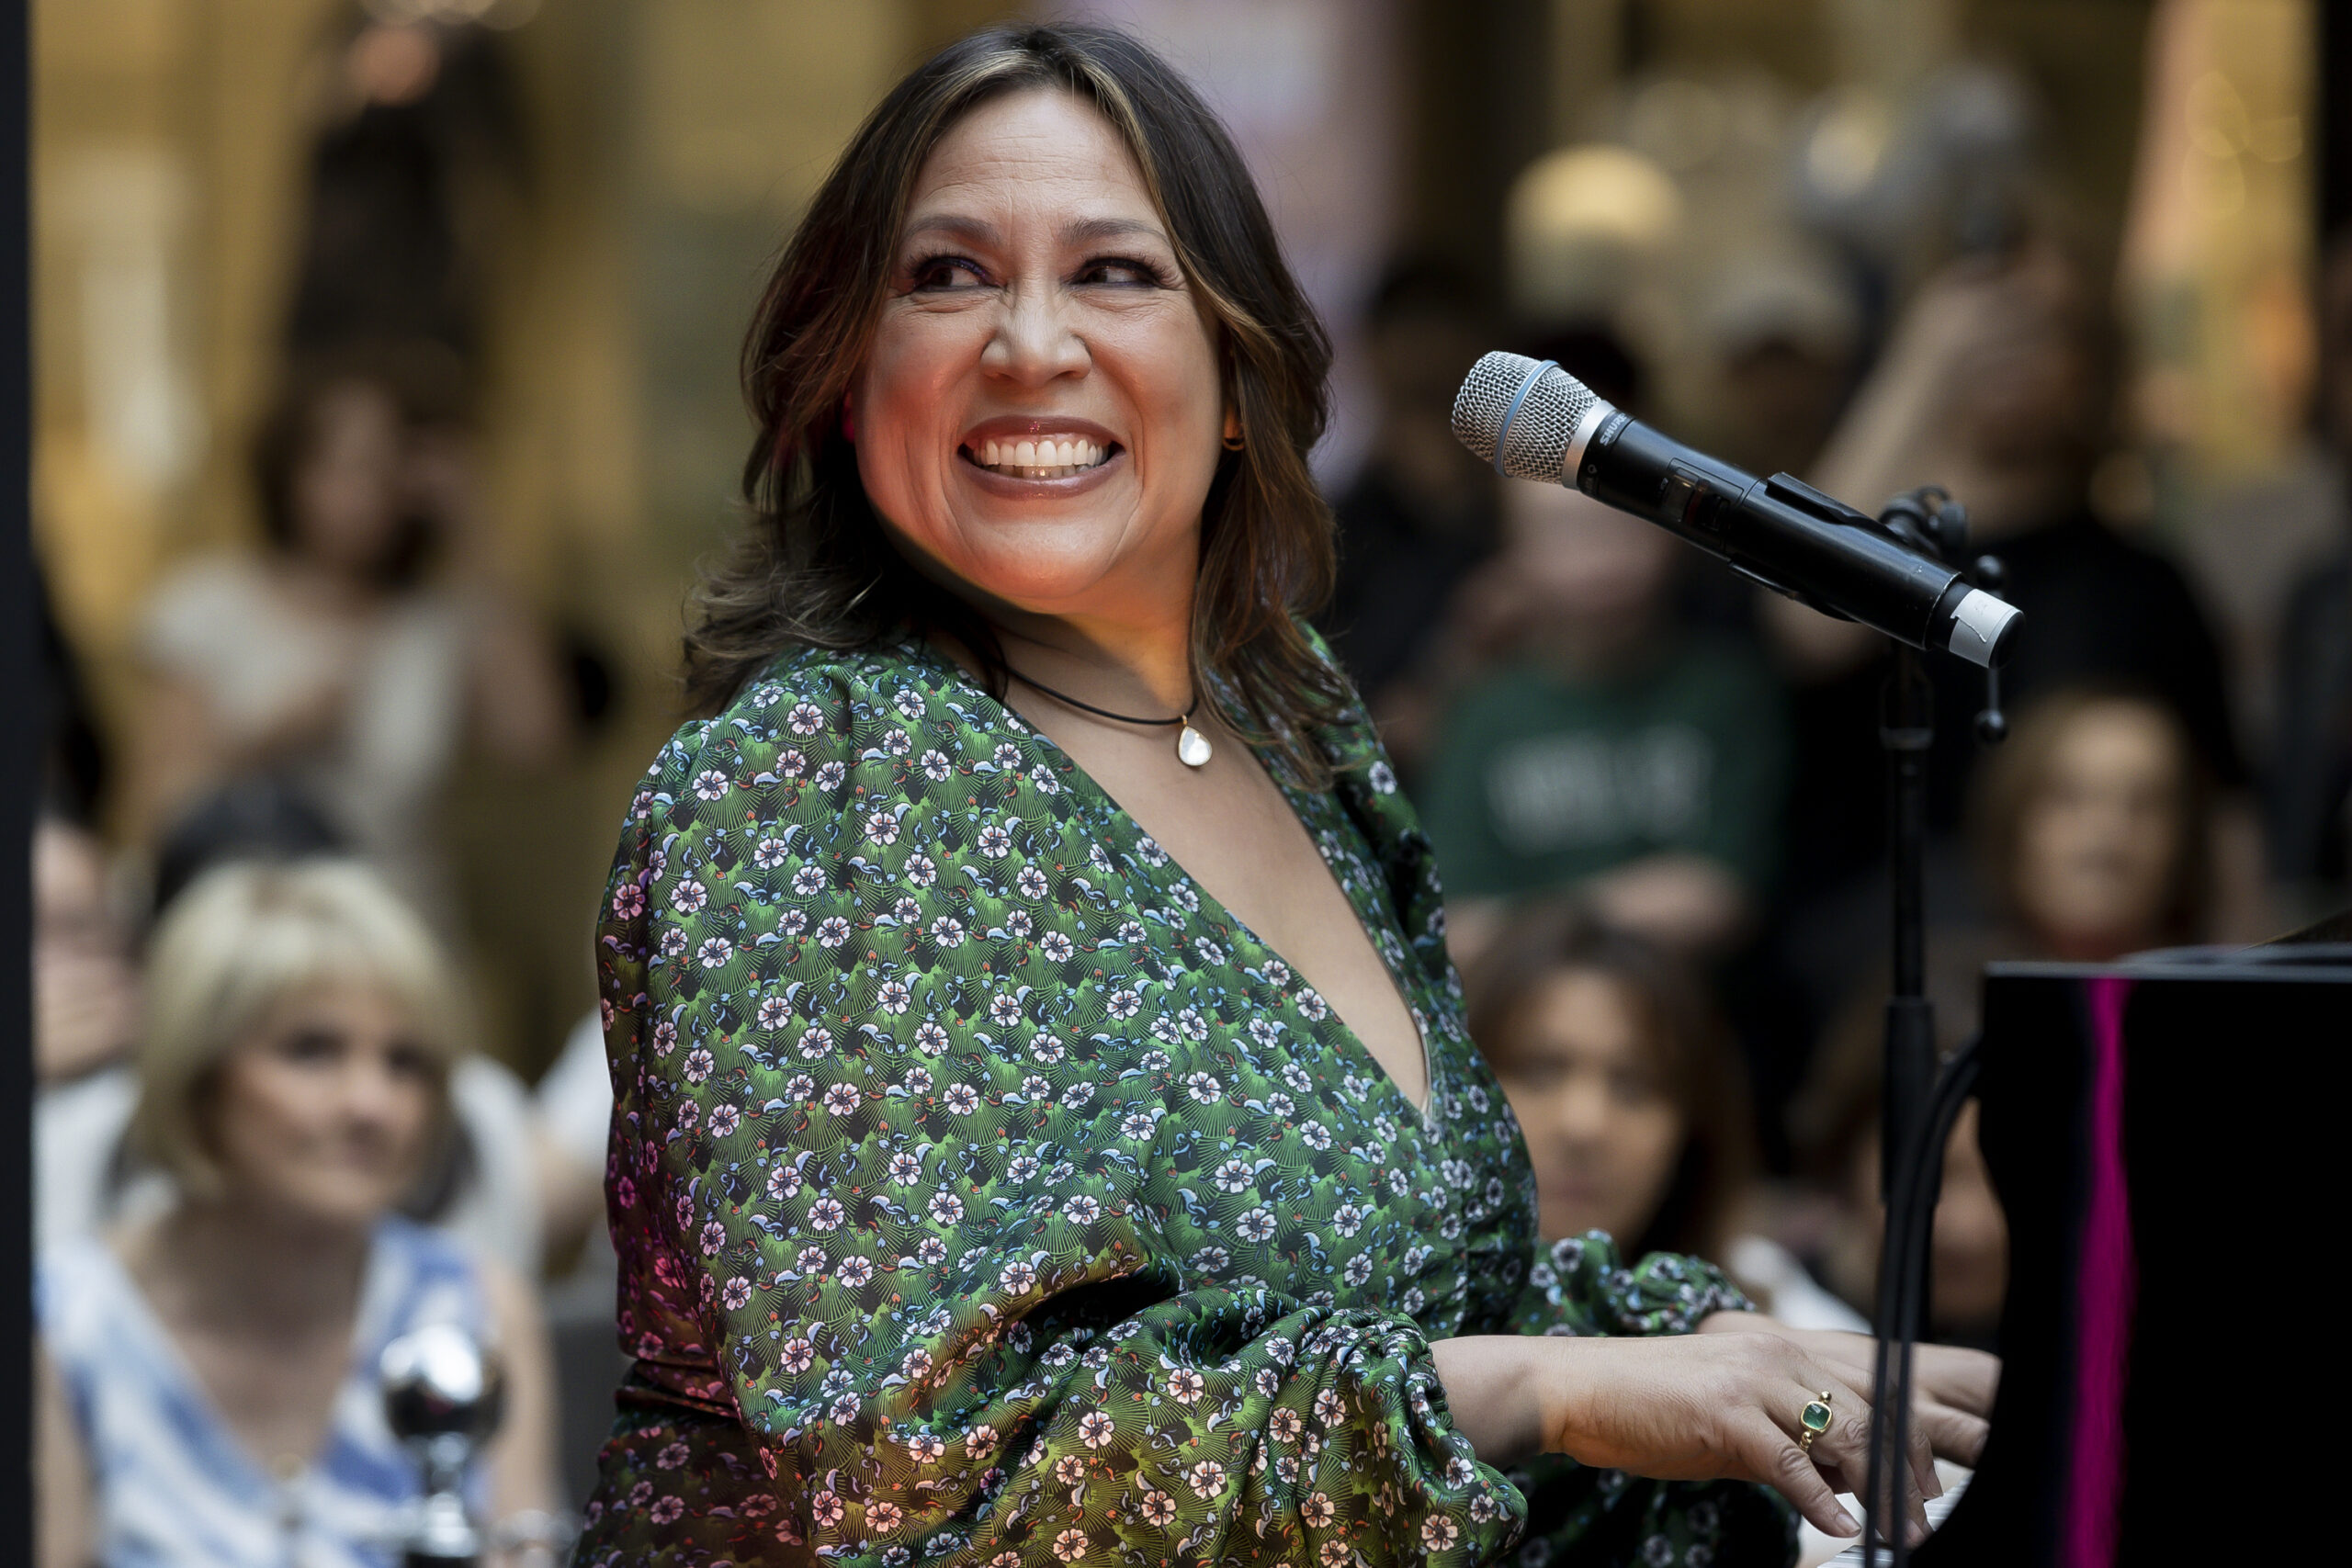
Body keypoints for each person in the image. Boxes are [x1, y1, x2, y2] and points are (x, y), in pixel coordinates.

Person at [576, 24, 1993, 1566]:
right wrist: (1556, 1388)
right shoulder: (815, 786)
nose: (1028, 341)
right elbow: (925, 1480)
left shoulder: (1288, 711)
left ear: (1239, 373)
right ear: (848, 380)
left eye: (1115, 272)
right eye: (947, 275)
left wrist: (1733, 1338)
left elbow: (1435, 1304)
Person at [34, 860, 560, 1568]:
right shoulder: (67, 1322)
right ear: (198, 1074)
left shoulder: (476, 1305)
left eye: (405, 1062)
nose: (371, 1105)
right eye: (312, 1050)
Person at [132, 363, 569, 927]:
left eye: (385, 466)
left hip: (401, 928)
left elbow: (535, 743)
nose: (361, 491)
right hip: (249, 929)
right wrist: (263, 743)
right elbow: (156, 813)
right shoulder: (210, 607)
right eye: (337, 463)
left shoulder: (430, 627)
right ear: (288, 472)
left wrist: (472, 525)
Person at [1418, 456, 1792, 961]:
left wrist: (1527, 923)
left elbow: (1722, 895)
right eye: (1565, 531)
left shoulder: (1727, 690)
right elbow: (1456, 922)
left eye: (1621, 524)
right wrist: (1628, 906)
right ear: (1511, 550)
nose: (1599, 561)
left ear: (1669, 530)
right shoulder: (1483, 712)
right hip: (1520, 1008)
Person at [1462, 904, 1864, 1335]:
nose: (1584, 1125)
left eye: (1634, 1085)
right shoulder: (1392, 1333)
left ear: (1694, 1125)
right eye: (1538, 1071)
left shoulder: (1782, 1318)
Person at [1317, 260, 1501, 720]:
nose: (1426, 354)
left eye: (1441, 329)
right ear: (1374, 352)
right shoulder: (1340, 524)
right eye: (1410, 332)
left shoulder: (1524, 510)